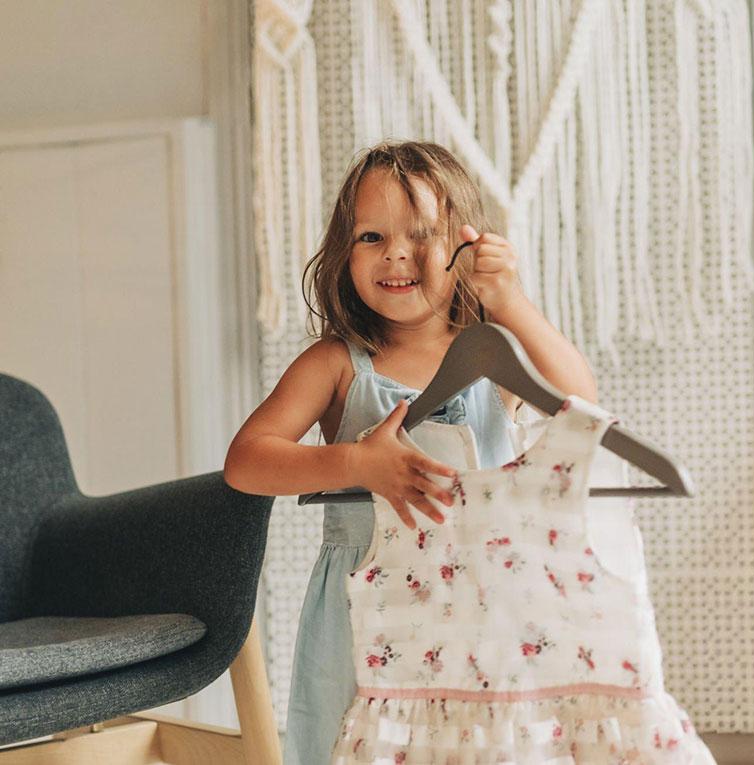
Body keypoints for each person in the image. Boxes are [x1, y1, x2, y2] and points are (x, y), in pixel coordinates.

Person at [223, 140, 597, 764]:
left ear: (464, 247)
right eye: (371, 236)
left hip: (485, 601)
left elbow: (578, 401)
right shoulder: (337, 362)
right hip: (367, 609)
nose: (396, 252)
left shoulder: (491, 351)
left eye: (421, 233)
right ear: (343, 256)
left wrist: (510, 300)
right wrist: (354, 463)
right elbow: (247, 462)